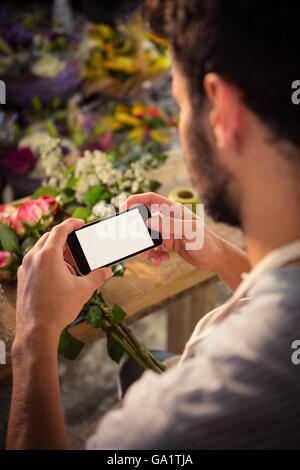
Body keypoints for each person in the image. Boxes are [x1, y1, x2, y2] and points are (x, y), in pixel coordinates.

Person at [6, 0, 300, 449]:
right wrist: (219, 253)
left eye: (180, 104)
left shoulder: (179, 417)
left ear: (221, 111)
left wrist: (33, 338)